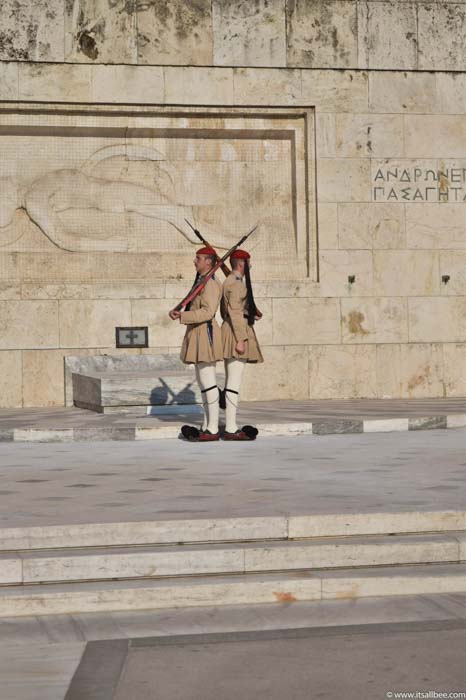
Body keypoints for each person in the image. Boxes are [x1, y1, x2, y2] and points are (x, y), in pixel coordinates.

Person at [169, 246, 223, 442]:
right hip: (198, 332)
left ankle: (214, 428)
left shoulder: (211, 283)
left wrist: (183, 315)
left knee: (209, 382)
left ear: (208, 262)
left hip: (205, 332)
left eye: (198, 258)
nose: (195, 261)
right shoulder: (203, 281)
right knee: (203, 383)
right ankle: (208, 424)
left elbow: (208, 312)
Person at [220, 249, 263, 440]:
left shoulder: (231, 281)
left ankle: (229, 424)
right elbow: (235, 312)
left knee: (232, 381)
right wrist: (240, 339)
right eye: (248, 263)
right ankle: (230, 427)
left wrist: (250, 311)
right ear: (241, 264)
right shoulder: (235, 284)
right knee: (234, 383)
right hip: (236, 332)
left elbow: (231, 309)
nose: (250, 266)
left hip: (231, 328)